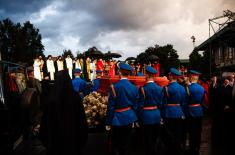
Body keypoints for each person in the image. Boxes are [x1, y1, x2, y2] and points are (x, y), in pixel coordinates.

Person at [47, 70, 88, 155]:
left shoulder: (51, 97)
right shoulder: (75, 96)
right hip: (73, 139)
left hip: (56, 141)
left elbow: (46, 121)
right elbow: (81, 119)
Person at [105, 63, 139, 155]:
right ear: (129, 74)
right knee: (126, 143)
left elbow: (111, 107)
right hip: (129, 117)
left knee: (116, 143)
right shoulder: (134, 88)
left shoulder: (114, 87)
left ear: (119, 72)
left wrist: (108, 122)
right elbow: (135, 106)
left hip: (117, 119)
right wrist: (134, 119)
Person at [138, 66, 163, 155]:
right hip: (156, 115)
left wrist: (139, 117)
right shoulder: (159, 88)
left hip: (146, 116)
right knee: (155, 138)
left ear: (147, 75)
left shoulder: (143, 88)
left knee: (147, 140)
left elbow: (140, 105)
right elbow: (160, 103)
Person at [162, 68, 186, 155]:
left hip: (169, 113)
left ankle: (170, 150)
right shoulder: (182, 88)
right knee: (178, 133)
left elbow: (163, 103)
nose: (168, 76)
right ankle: (178, 150)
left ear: (171, 76)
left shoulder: (166, 88)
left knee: (169, 135)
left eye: (169, 75)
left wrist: (163, 115)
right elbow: (184, 102)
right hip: (179, 112)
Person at [186, 70, 205, 155]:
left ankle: (192, 149)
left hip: (190, 111)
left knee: (191, 131)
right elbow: (202, 100)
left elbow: (186, 101)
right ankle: (197, 148)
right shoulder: (201, 88)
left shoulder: (188, 88)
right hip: (199, 111)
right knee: (198, 131)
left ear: (191, 77)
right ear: (197, 78)